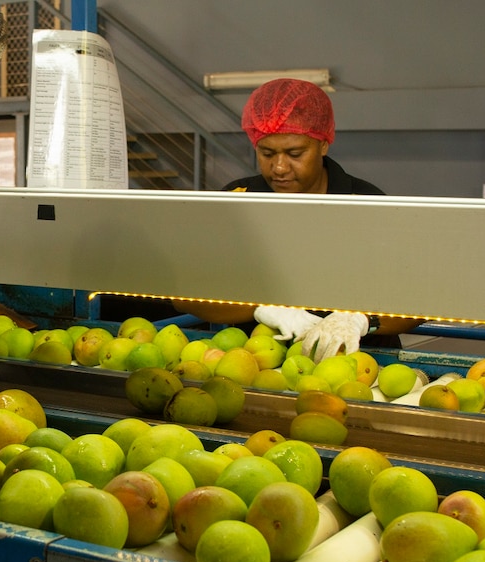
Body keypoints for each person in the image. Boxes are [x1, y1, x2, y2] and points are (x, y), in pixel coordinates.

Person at [174, 78, 422, 360]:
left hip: (360, 365)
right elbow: (184, 293)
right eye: (266, 153)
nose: (279, 167)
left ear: (323, 144)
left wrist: (361, 320)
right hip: (256, 363)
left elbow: (417, 301)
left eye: (295, 153)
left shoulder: (365, 204)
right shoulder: (238, 200)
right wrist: (260, 309)